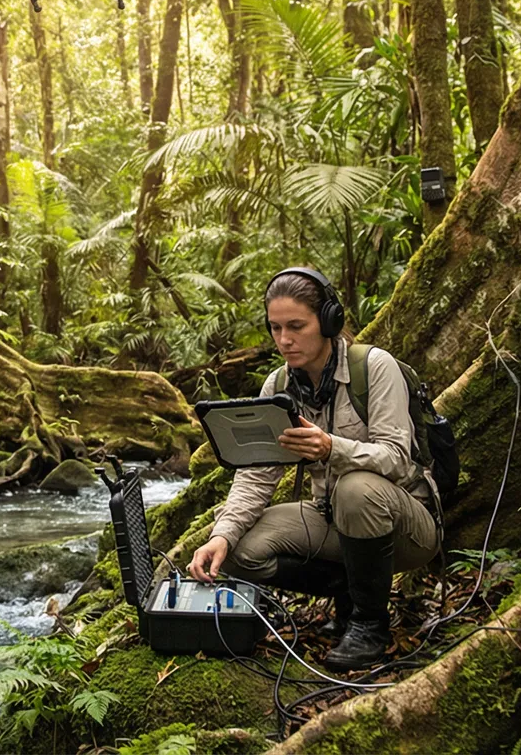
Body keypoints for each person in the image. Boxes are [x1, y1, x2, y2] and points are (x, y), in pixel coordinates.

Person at [186, 267, 439, 670]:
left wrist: (330, 448)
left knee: (356, 489)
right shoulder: (278, 386)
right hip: (333, 521)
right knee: (238, 551)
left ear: (328, 320)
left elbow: (396, 456)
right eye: (275, 328)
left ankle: (370, 624)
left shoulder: (374, 368)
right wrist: (221, 535)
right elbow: (256, 474)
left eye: (296, 326)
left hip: (406, 526)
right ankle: (350, 593)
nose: (284, 340)